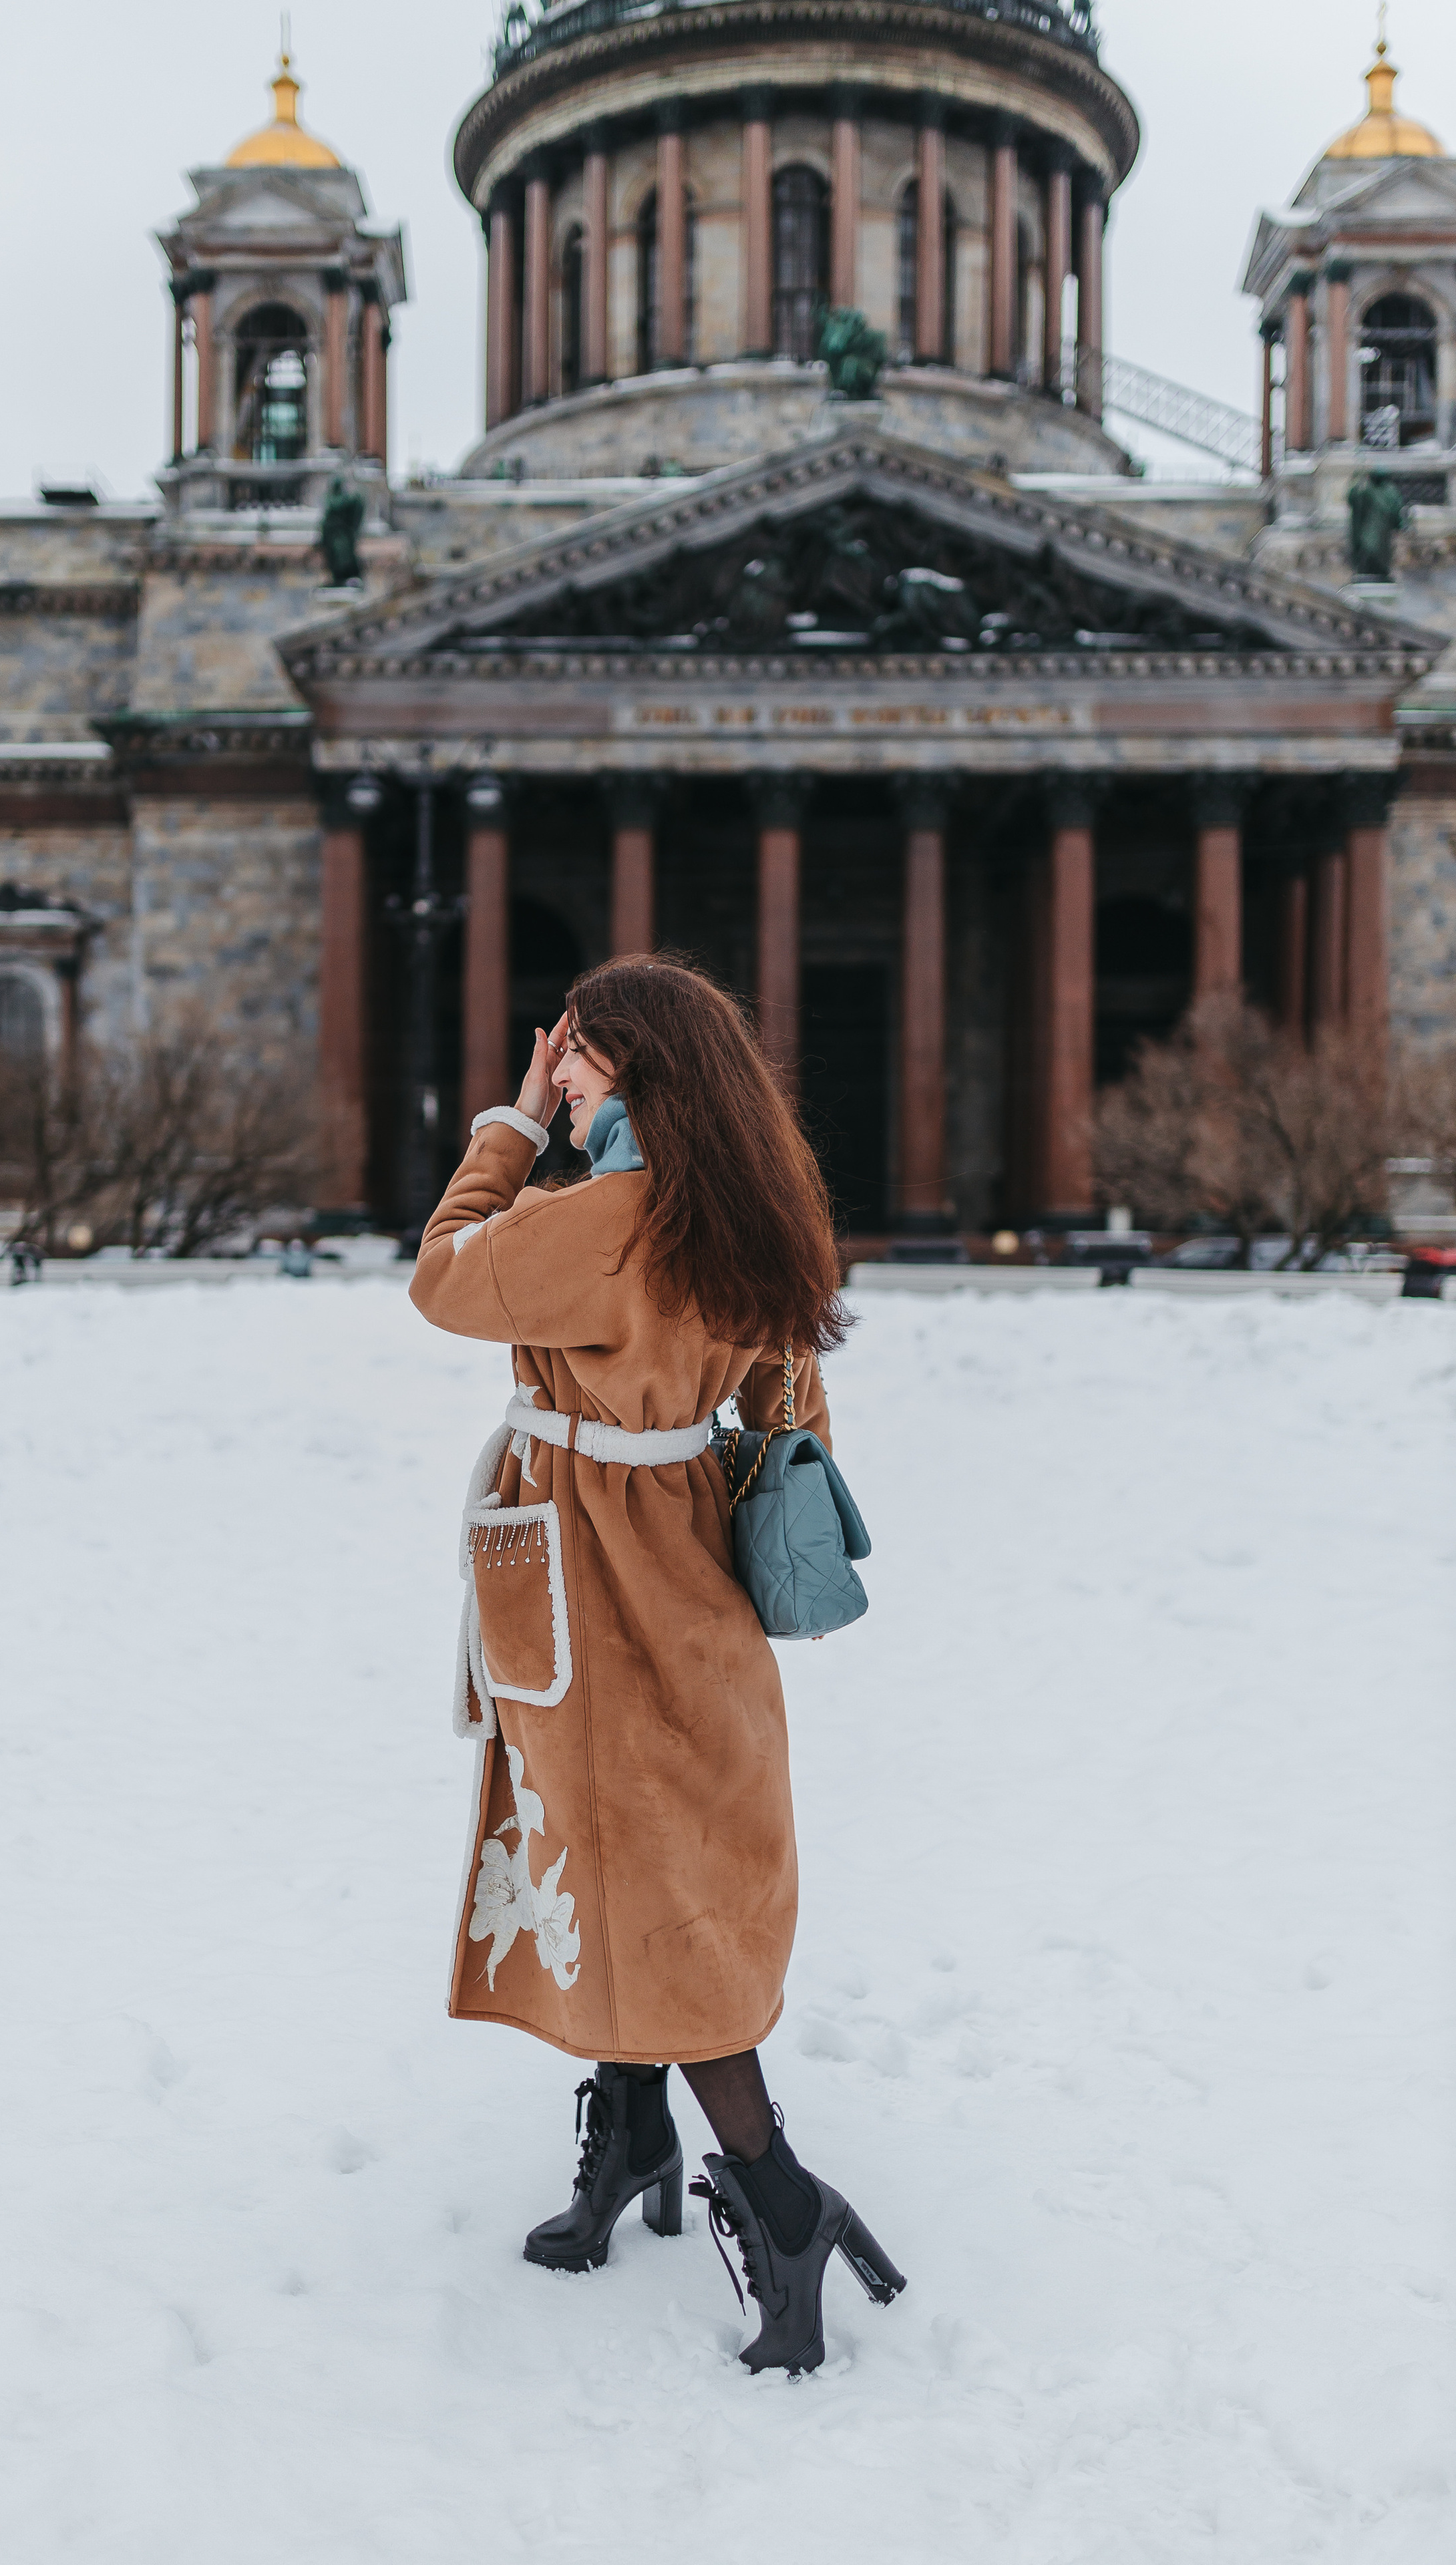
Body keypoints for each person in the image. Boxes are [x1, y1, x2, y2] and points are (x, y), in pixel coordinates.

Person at [409, 955, 906, 2376]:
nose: (554, 1079)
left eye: (566, 1057)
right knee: (636, 1850)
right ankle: (629, 2139)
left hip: (590, 1575)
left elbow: (443, 1277)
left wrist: (503, 1130)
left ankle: (778, 2197)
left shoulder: (607, 1214)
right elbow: (785, 1391)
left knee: (638, 1875)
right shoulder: (748, 1208)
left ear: (622, 1066)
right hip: (685, 1570)